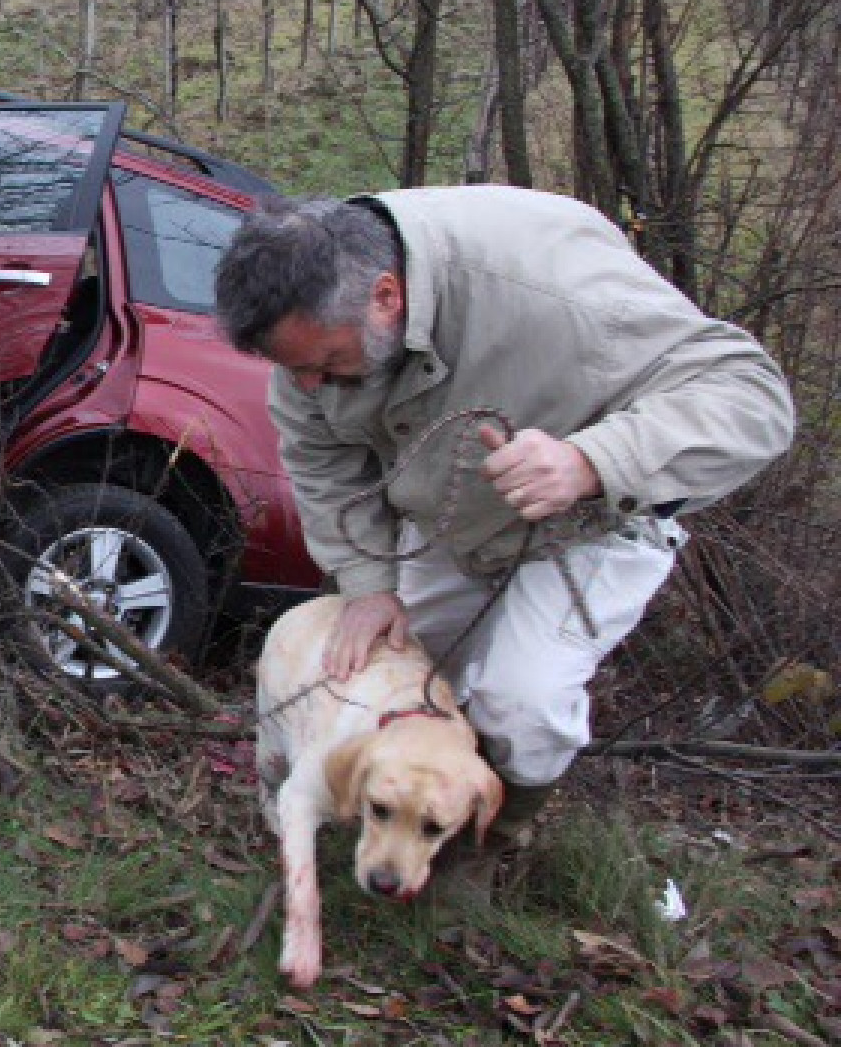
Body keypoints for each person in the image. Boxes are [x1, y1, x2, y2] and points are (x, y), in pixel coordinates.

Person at [213, 186, 795, 879]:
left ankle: (476, 857)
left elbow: (753, 398)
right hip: (450, 524)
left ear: (387, 298)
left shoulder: (558, 291)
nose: (307, 385)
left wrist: (591, 460)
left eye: (328, 364)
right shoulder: (312, 331)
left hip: (588, 524)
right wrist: (368, 586)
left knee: (521, 706)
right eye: (294, 369)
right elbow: (321, 460)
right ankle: (391, 834)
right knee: (399, 690)